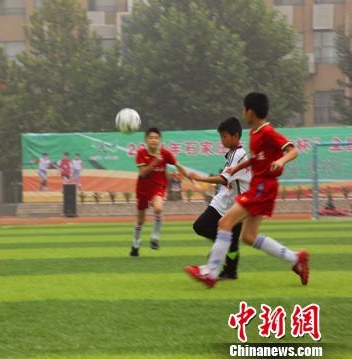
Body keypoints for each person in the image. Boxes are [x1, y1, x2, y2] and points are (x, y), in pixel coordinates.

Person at [185, 92, 309, 288]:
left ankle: (211, 272)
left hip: (262, 187)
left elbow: (293, 150)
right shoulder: (255, 133)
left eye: (244, 109)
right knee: (249, 237)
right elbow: (257, 158)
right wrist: (239, 167)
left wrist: (280, 160)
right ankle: (296, 259)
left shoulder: (267, 132)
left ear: (250, 111)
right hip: (260, 187)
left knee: (225, 222)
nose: (243, 113)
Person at [187, 117, 251, 280]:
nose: (222, 140)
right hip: (230, 202)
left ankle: (229, 267)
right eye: (221, 136)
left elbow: (224, 179)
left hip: (233, 205)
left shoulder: (237, 154)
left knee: (201, 226)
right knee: (232, 241)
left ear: (236, 136)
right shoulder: (234, 153)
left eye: (225, 136)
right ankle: (230, 270)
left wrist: (200, 178)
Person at [130, 127, 192, 257]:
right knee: (140, 220)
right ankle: (136, 243)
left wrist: (188, 176)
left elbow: (178, 165)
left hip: (158, 187)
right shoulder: (141, 153)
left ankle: (155, 237)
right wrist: (155, 162)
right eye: (151, 138)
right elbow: (142, 174)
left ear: (160, 140)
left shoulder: (165, 153)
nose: (154, 140)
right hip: (142, 188)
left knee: (158, 208)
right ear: (146, 140)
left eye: (156, 138)